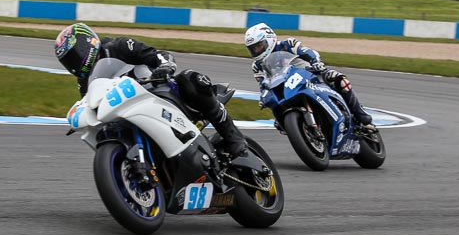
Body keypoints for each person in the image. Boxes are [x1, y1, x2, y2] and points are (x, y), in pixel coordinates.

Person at [54, 22, 248, 159]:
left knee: (190, 79)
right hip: (129, 113)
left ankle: (233, 137)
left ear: (88, 43)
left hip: (157, 91)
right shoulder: (84, 81)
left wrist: (164, 67)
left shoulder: (119, 46)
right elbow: (91, 102)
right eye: (69, 61)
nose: (76, 62)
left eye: (76, 54)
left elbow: (158, 55)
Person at [244, 22, 375, 129]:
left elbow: (309, 52)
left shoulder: (287, 44)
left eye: (259, 46)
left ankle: (362, 116)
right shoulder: (257, 66)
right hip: (285, 88)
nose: (256, 51)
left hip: (311, 75)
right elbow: (263, 85)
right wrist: (263, 96)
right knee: (277, 120)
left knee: (339, 80)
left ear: (269, 39)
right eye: (253, 48)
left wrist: (316, 63)